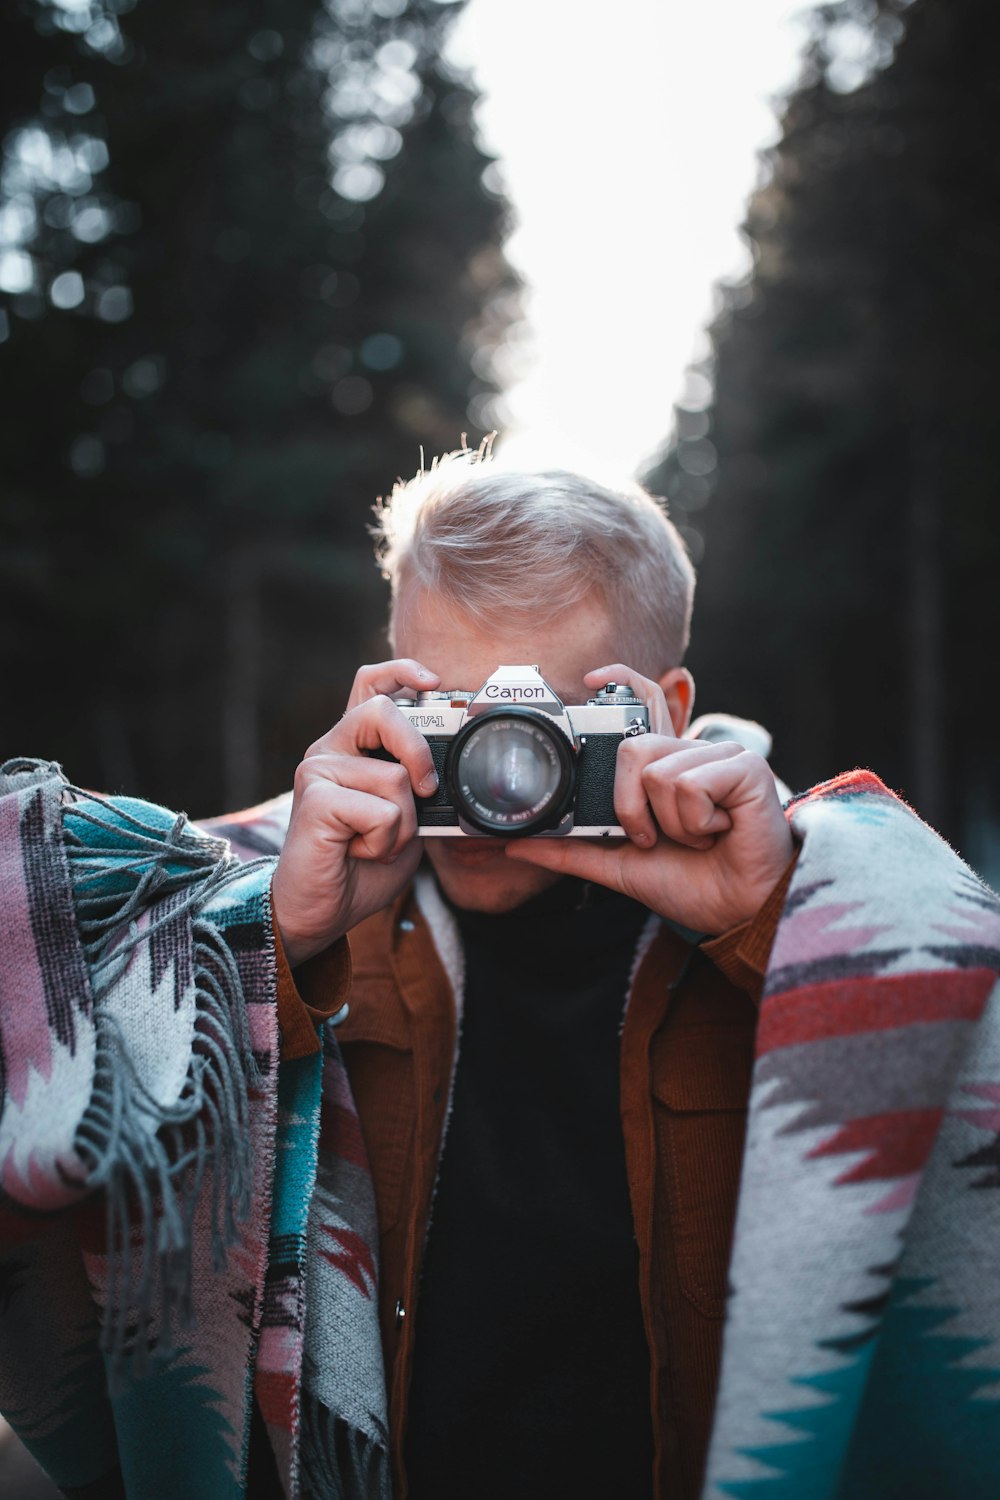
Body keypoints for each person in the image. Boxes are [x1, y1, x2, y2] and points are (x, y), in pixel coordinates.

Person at [4, 450, 1000, 1500]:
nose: (496, 779)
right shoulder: (275, 885)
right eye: (454, 720)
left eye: (542, 729)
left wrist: (771, 930)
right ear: (388, 686)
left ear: (659, 710)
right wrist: (272, 939)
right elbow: (49, 1112)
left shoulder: (820, 911)